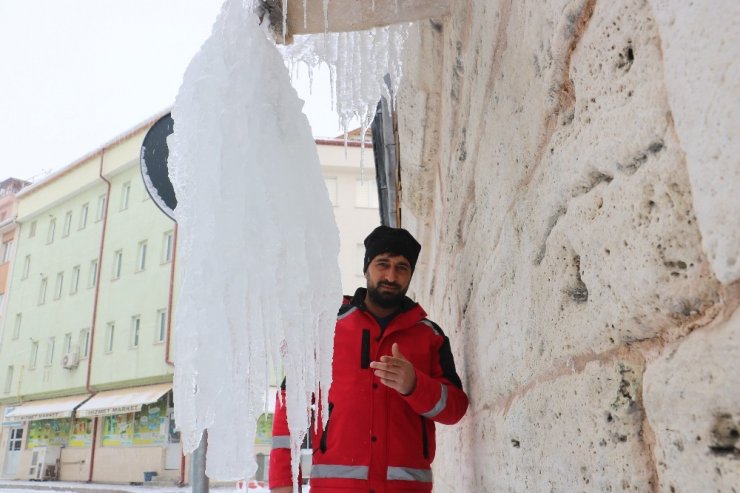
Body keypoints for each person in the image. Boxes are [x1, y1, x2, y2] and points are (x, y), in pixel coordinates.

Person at [269, 225, 469, 493]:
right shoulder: (326, 329)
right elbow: (289, 406)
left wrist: (415, 386)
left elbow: (455, 409)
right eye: (382, 264)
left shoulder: (429, 337)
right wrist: (283, 484)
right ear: (366, 269)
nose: (391, 275)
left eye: (402, 267)